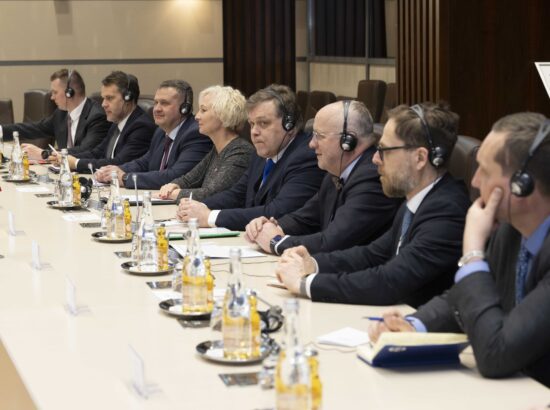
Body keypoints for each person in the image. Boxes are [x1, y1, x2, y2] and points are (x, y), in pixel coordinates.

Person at [368, 112, 550, 387]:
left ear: (522, 185)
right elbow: (462, 299)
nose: (474, 181)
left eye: (485, 171)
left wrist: (473, 252)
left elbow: (495, 353)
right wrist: (414, 326)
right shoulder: (511, 232)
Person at [276, 102, 470, 308]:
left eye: (384, 150)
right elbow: (371, 255)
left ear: (420, 158)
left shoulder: (447, 212)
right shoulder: (416, 201)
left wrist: (305, 284)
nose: (375, 158)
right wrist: (312, 263)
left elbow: (387, 282)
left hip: (418, 322)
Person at [244, 100, 400, 255]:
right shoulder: (335, 173)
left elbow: (333, 241)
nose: (311, 144)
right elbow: (306, 218)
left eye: (319, 136)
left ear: (347, 141)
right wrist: (271, 226)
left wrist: (277, 242)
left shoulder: (372, 178)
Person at [176, 84, 325, 231]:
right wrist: (198, 207)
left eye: (263, 123)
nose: (254, 132)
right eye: (252, 124)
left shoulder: (306, 158)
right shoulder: (262, 153)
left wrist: (210, 217)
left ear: (289, 124)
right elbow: (237, 195)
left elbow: (278, 211)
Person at [95, 79, 212, 189]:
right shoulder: (161, 131)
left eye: (164, 103)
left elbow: (176, 176)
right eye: (156, 103)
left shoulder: (196, 134)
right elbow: (144, 162)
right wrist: (114, 171)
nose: (156, 109)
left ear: (184, 109)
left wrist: (125, 178)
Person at [156, 85, 253, 202]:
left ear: (223, 115)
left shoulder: (240, 152)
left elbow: (213, 193)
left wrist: (176, 193)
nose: (196, 116)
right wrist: (173, 185)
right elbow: (189, 180)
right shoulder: (217, 150)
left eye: (203, 110)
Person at [52, 71, 155, 173]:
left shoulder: (142, 127)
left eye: (109, 98)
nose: (103, 104)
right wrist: (65, 157)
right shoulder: (117, 122)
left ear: (127, 98)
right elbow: (97, 153)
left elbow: (119, 163)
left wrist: (76, 163)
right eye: (104, 98)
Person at [1, 69, 110, 158]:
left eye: (55, 92)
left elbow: (86, 150)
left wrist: (44, 153)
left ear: (69, 93)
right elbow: (35, 128)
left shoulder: (97, 116)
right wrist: (1, 131)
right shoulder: (61, 114)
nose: (52, 97)